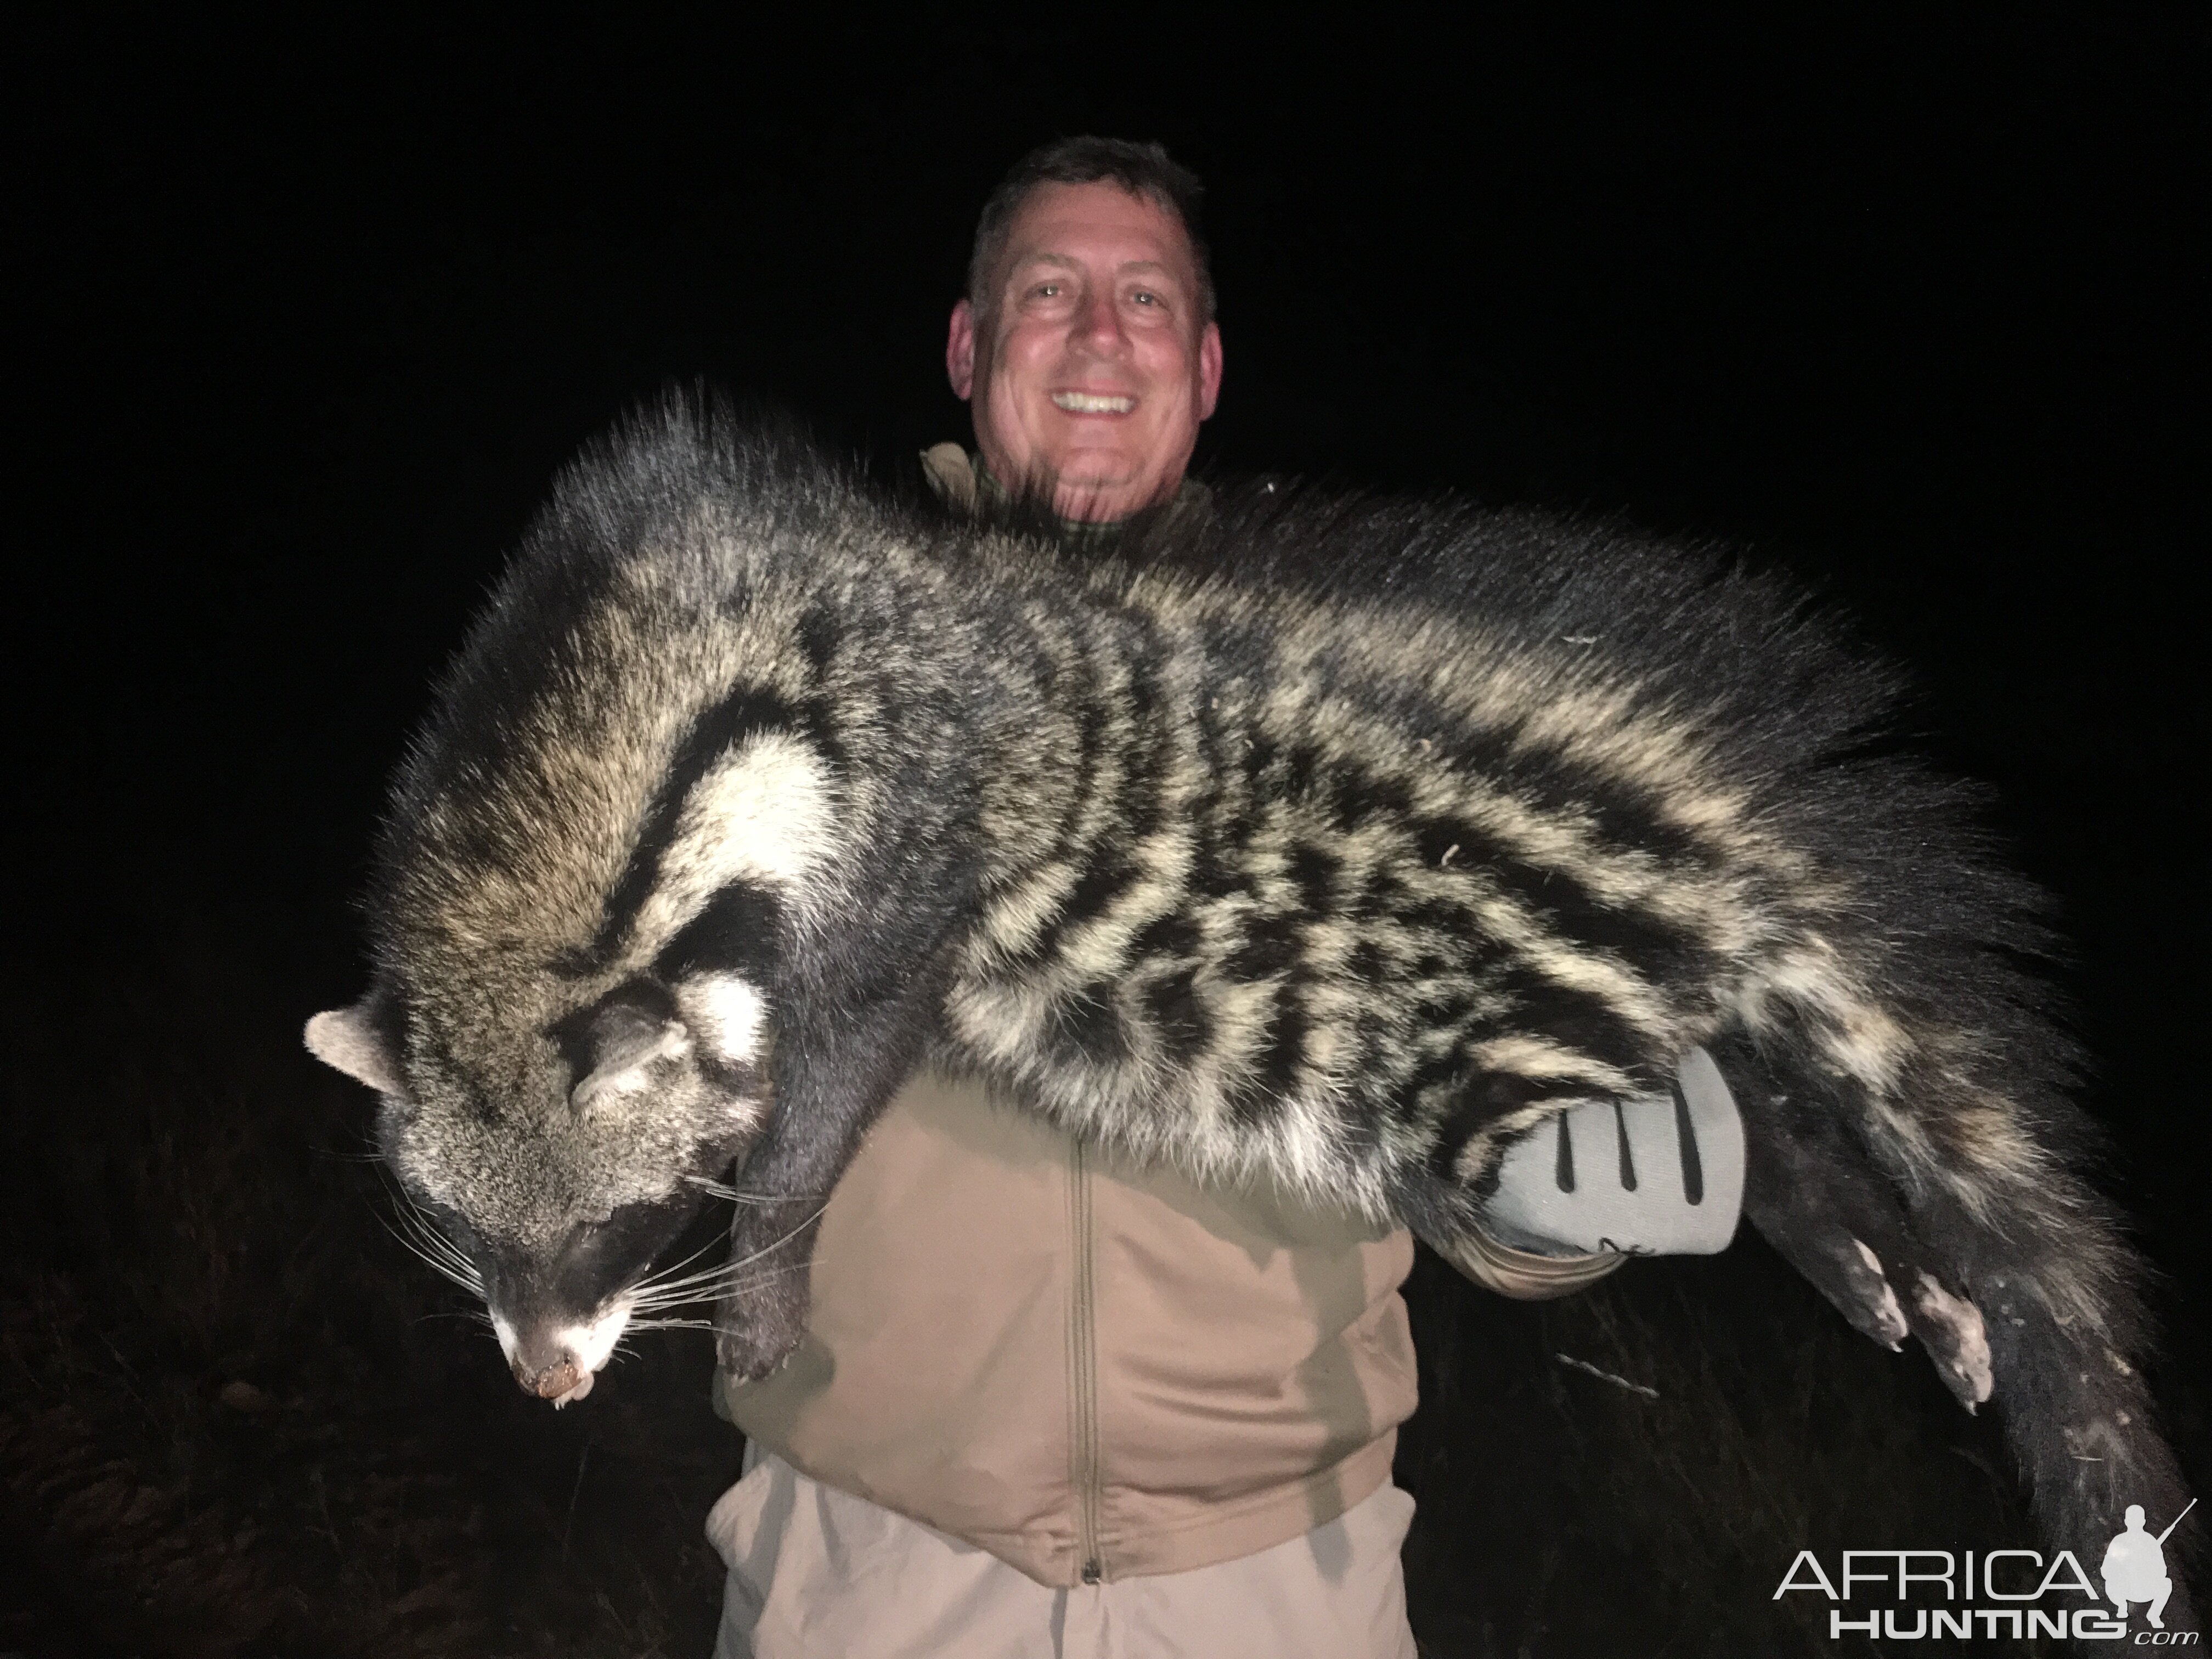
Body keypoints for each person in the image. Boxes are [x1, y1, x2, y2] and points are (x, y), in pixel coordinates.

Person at [704, 137, 1741, 1659]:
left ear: (1204, 367)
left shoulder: (1353, 685)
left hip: (1276, 1579)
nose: (1100, 335)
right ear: (968, 346)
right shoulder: (784, 655)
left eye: (1145, 300)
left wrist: (1546, 1196)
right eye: (1050, 290)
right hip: (864, 1565)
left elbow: (1457, 1071)